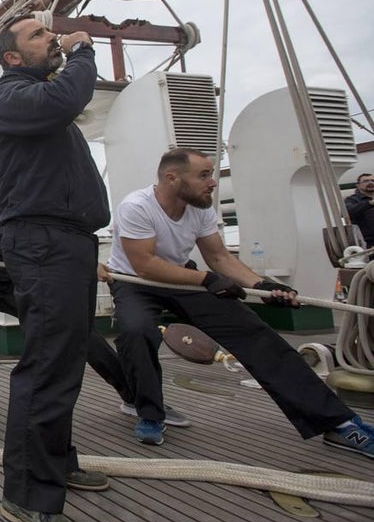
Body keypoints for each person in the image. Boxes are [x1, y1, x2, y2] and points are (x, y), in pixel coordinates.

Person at [105, 147, 374, 456]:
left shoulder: (201, 206)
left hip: (181, 278)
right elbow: (145, 265)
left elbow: (218, 257)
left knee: (255, 333)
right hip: (137, 283)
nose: (212, 182)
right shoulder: (137, 206)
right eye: (204, 175)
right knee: (137, 332)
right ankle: (150, 414)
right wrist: (206, 280)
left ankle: (337, 424)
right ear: (172, 178)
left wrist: (261, 285)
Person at [0, 140, 161, 442]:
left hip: (10, 277)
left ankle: (133, 397)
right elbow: (12, 242)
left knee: (75, 326)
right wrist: (76, 262)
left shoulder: (7, 194)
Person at [0, 16, 109, 522]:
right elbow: (65, 100)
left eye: (49, 32)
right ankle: (29, 496)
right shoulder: (11, 97)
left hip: (67, 242)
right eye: (37, 36)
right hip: (42, 242)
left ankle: (57, 461)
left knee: (65, 360)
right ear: (12, 58)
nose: (51, 38)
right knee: (47, 367)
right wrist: (82, 53)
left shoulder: (36, 101)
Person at [344, 173, 374, 248]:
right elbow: (348, 213)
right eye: (366, 181)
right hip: (368, 243)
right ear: (358, 185)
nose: (370, 183)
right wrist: (369, 203)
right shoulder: (351, 200)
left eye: (373, 180)